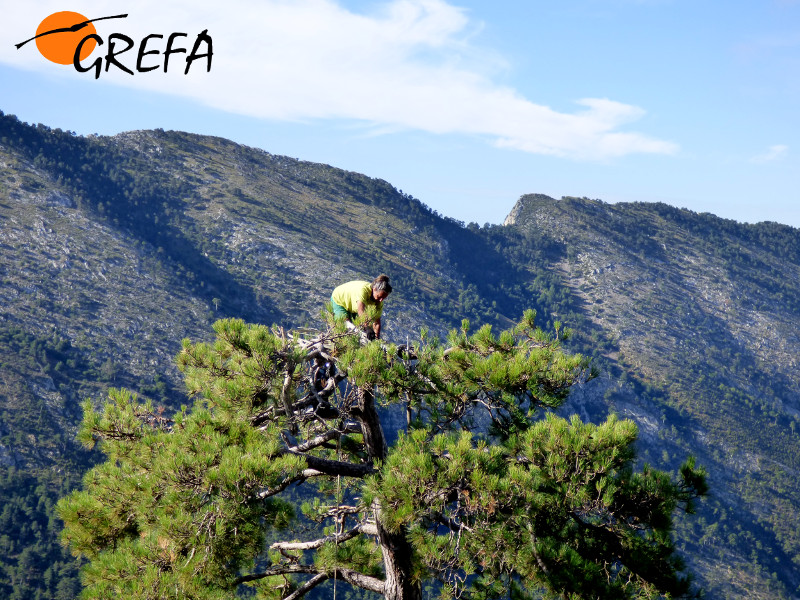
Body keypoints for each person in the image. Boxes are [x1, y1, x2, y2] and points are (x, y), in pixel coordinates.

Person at [330, 274, 392, 340]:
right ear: (374, 289)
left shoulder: (379, 302)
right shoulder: (363, 291)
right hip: (340, 300)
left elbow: (376, 323)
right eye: (379, 297)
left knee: (359, 328)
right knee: (347, 325)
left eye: (383, 298)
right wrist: (367, 328)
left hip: (353, 307)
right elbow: (361, 311)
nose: (381, 300)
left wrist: (376, 339)